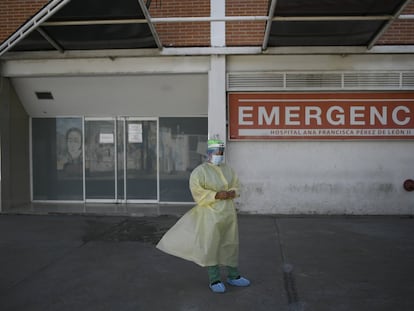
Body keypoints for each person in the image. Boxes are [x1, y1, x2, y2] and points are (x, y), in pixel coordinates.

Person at [156, 138, 250, 293]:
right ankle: (215, 280)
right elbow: (197, 191)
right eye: (217, 151)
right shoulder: (200, 172)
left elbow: (237, 185)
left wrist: (233, 192)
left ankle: (234, 276)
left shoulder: (228, 169)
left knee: (230, 244)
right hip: (210, 216)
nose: (219, 154)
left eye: (221, 151)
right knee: (211, 246)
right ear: (209, 153)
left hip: (228, 214)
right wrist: (216, 195)